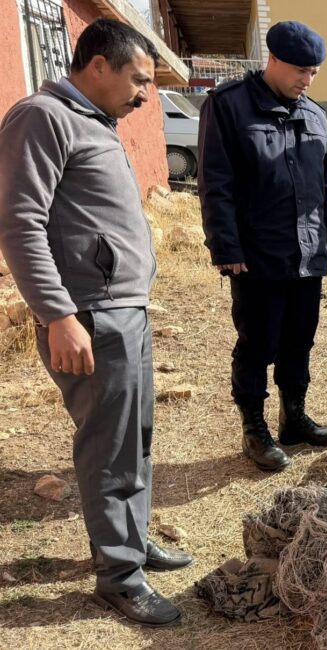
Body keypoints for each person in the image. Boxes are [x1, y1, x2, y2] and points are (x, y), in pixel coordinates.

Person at [0, 18, 191, 627]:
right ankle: (120, 577)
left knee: (134, 437)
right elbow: (20, 223)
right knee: (109, 446)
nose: (145, 94)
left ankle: (131, 541)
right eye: (138, 79)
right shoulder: (42, 118)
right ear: (98, 66)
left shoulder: (95, 121)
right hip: (88, 314)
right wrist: (57, 314)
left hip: (122, 308)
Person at [198, 21, 327, 472]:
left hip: (307, 251)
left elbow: (324, 185)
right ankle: (254, 429)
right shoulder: (229, 106)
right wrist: (226, 247)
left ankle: (293, 418)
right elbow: (215, 183)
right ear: (273, 60)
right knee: (258, 342)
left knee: (300, 338)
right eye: (300, 70)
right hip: (257, 254)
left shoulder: (314, 114)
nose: (307, 80)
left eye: (313, 72)